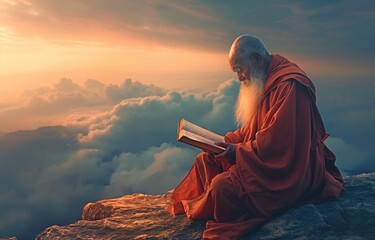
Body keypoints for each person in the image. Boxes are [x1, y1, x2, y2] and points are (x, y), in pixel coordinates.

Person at [166, 35, 344, 240]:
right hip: (265, 157)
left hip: (292, 170)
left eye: (240, 70)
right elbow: (253, 130)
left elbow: (279, 144)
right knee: (205, 160)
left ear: (257, 59)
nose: (239, 78)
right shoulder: (266, 78)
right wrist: (226, 142)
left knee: (221, 187)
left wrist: (238, 151)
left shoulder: (290, 86)